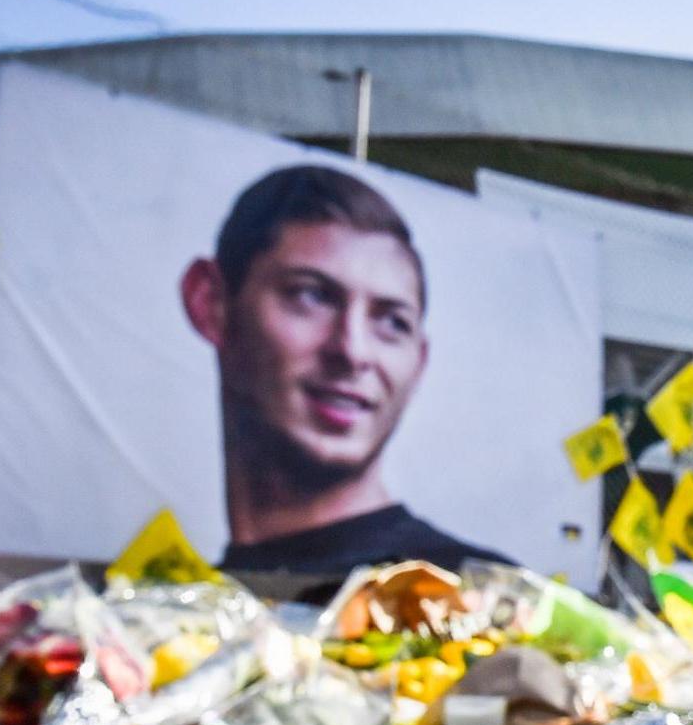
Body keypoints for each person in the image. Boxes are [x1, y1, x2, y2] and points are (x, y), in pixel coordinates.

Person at [180, 164, 502, 575]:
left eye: (392, 323)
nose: (352, 351)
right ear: (211, 303)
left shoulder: (480, 604)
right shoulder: (180, 616)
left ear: (419, 363)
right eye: (310, 295)